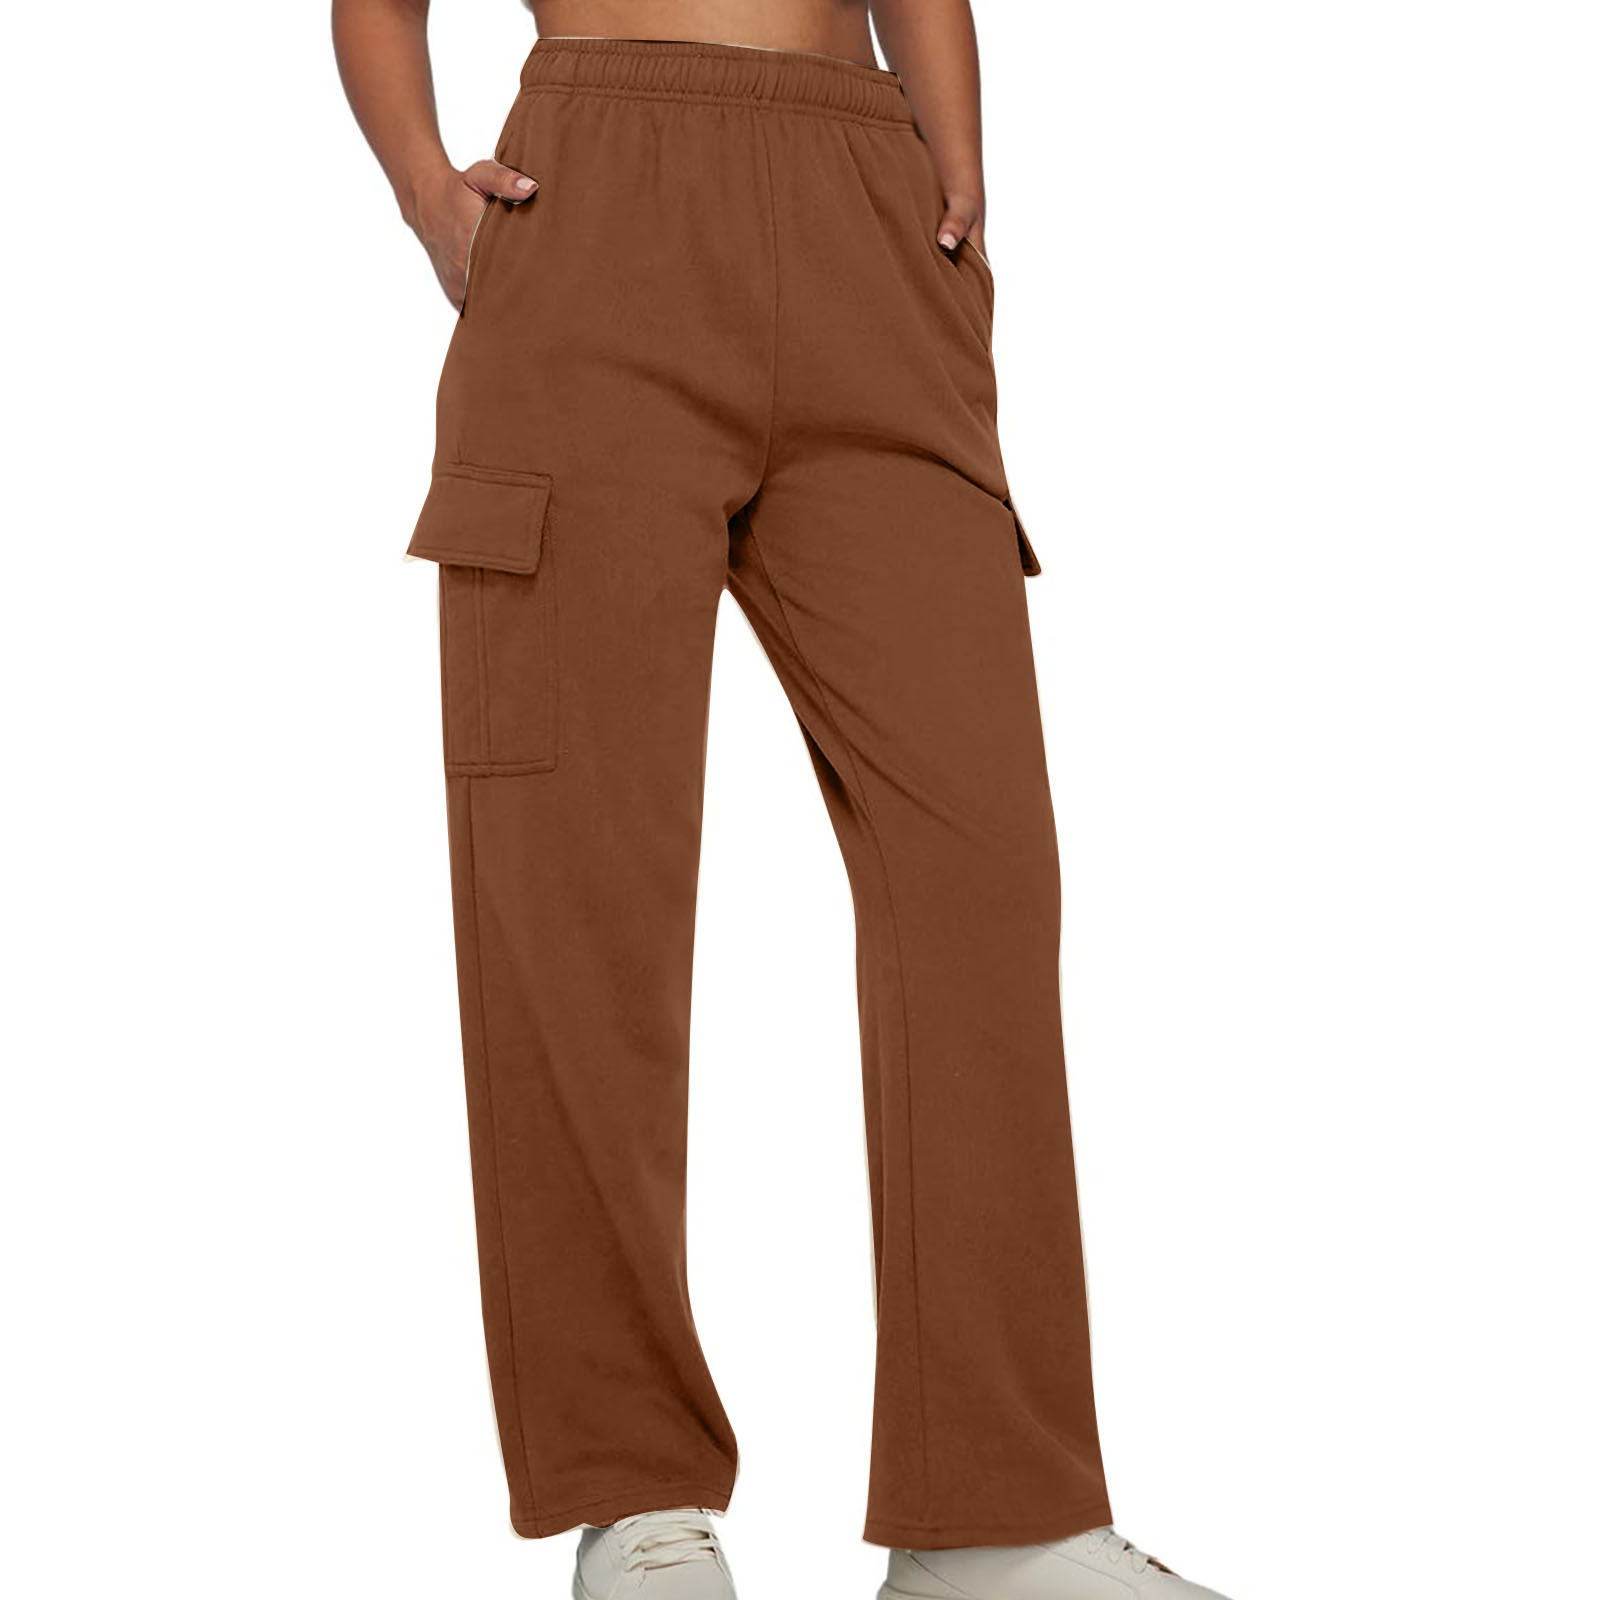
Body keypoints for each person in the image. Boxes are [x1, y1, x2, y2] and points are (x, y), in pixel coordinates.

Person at [334, 2, 1234, 1595]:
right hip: (594, 200)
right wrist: (423, 187)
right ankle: (633, 1495)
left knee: (978, 871)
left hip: (869, 215)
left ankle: (997, 1522)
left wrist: (953, 174)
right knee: (583, 874)